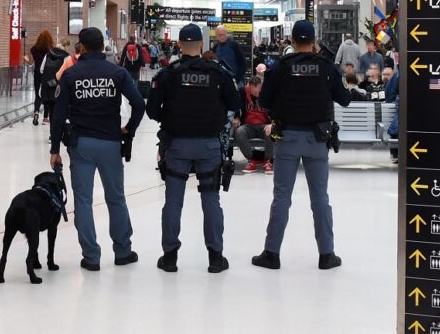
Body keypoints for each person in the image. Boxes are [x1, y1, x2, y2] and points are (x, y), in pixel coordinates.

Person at [252, 19, 350, 271]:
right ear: (314, 41)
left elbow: (263, 100)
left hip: (287, 138)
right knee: (320, 198)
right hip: (318, 139)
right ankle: (326, 254)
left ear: (293, 42)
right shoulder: (327, 67)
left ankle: (271, 254)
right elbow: (345, 99)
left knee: (282, 197)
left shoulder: (281, 68)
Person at [146, 23, 239, 274]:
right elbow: (234, 102)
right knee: (211, 200)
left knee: (173, 201)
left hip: (176, 145)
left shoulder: (168, 74)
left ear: (178, 44)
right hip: (209, 146)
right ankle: (216, 257)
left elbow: (152, 111)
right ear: (201, 45)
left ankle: (170, 257)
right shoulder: (218, 72)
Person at [50, 27, 145, 270]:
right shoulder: (117, 72)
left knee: (83, 200)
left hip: (81, 144)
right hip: (111, 143)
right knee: (116, 197)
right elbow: (138, 104)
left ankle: (91, 256)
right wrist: (129, 129)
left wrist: (54, 149)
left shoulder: (71, 75)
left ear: (80, 47)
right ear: (103, 46)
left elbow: (58, 116)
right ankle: (122, 251)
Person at [234, 75, 273, 174]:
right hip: (248, 125)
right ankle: (252, 160)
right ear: (249, 86)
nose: (256, 93)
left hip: (264, 125)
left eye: (258, 90)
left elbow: (274, 108)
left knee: (272, 131)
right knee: (239, 132)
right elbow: (236, 105)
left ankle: (267, 161)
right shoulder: (243, 92)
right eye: (254, 91)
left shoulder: (266, 92)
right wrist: (237, 117)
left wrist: (272, 123)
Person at [26, 30, 53, 126]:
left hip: (37, 74)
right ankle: (45, 118)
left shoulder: (33, 49)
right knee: (47, 96)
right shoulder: (51, 50)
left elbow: (30, 62)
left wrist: (25, 59)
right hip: (47, 75)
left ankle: (36, 112)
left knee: (38, 95)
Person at [40, 40, 71, 124]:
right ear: (65, 47)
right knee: (59, 107)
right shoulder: (66, 57)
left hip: (48, 85)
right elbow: (68, 71)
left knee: (50, 105)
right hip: (59, 86)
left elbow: (41, 69)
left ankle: (49, 124)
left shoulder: (47, 54)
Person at [213, 25, 247, 91]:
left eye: (223, 34)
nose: (222, 37)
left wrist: (236, 80)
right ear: (216, 35)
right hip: (222, 83)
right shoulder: (215, 48)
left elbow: (243, 64)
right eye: (219, 35)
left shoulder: (234, 45)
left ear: (226, 33)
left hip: (237, 82)